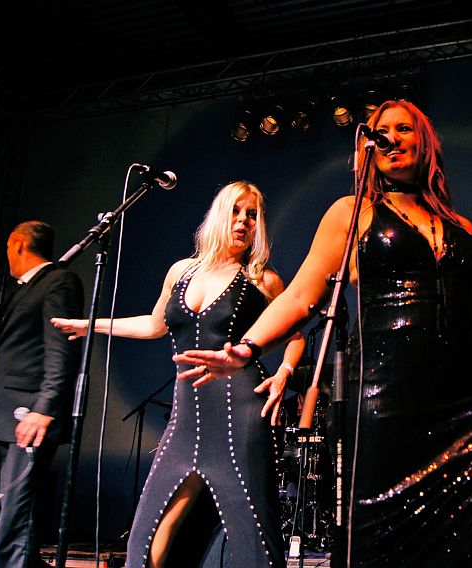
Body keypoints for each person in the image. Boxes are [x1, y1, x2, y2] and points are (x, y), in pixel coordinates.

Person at [174, 100, 472, 567]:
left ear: (425, 142)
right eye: (382, 130)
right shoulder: (353, 215)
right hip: (387, 402)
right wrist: (247, 347)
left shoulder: (460, 227)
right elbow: (300, 296)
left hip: (469, 403)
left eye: (403, 128)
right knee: (390, 542)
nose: (391, 137)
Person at [52, 181, 304, 568]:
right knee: (147, 537)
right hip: (187, 418)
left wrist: (284, 373)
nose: (243, 221)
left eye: (252, 215)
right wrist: (91, 325)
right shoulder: (181, 272)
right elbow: (154, 325)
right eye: (236, 211)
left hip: (240, 413)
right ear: (218, 215)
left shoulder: (262, 280)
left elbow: (294, 336)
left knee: (253, 534)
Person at [0, 221, 83, 568]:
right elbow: (18, 353)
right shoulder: (24, 288)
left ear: (17, 243)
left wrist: (44, 408)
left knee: (16, 517)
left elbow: (60, 351)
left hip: (28, 417)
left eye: (6, 248)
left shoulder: (58, 282)